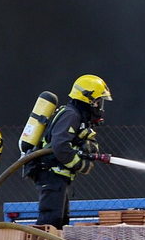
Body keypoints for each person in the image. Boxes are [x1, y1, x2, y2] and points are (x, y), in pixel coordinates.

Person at [27, 75, 110, 228]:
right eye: (98, 101)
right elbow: (60, 146)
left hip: (57, 176)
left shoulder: (77, 116)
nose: (99, 106)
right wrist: (79, 164)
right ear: (88, 98)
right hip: (50, 174)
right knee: (50, 219)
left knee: (60, 219)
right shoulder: (71, 115)